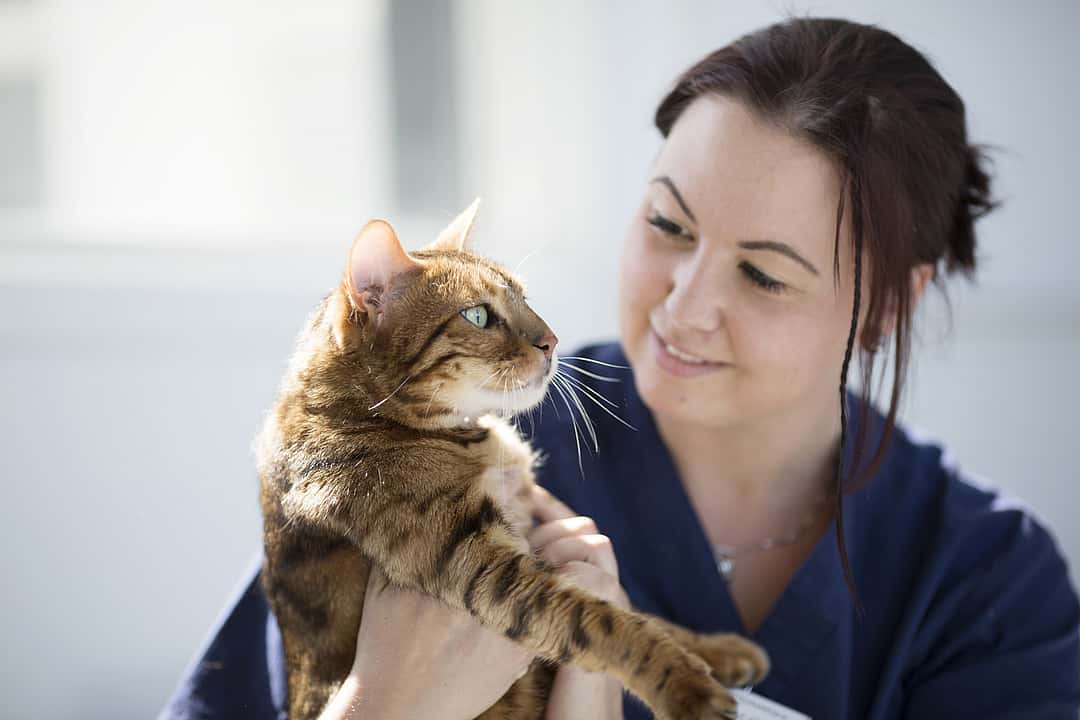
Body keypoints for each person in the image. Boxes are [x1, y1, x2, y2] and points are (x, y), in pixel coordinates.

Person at [163, 17, 1080, 720]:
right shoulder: (421, 449)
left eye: (762, 274)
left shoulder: (986, 584)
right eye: (666, 226)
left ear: (887, 303)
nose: (681, 305)